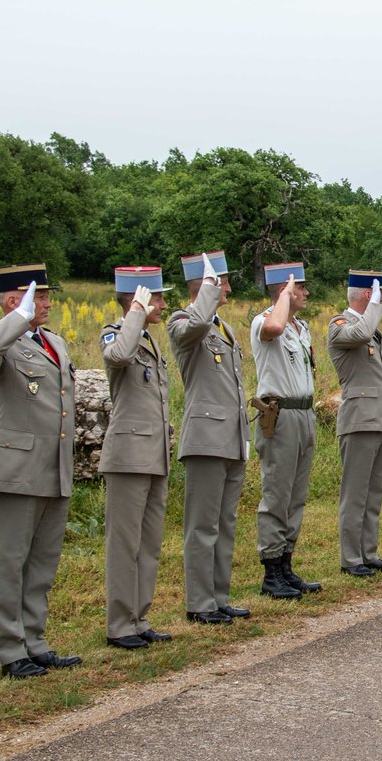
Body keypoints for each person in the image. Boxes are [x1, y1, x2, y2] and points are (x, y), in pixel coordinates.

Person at [0, 264, 81, 678]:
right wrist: (15, 319)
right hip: (13, 470)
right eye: (40, 296)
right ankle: (11, 651)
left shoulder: (53, 342)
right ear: (15, 299)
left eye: (47, 296)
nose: (48, 303)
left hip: (53, 468)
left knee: (41, 566)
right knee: (8, 564)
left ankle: (35, 641)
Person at [167, 251, 252, 625]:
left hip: (232, 437)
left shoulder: (224, 328)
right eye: (222, 282)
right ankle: (199, 602)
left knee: (225, 522)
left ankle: (219, 596)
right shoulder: (183, 322)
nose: (229, 288)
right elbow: (193, 327)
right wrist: (205, 292)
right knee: (202, 526)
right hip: (205, 438)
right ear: (205, 287)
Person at [100, 267, 174, 649]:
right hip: (128, 455)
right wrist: (134, 314)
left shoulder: (149, 338)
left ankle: (139, 616)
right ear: (136, 301)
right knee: (124, 543)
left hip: (154, 453)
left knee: (148, 543)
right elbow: (118, 356)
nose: (162, 304)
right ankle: (118, 623)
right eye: (156, 298)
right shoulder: (118, 333)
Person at [250, 262, 322, 600]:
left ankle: (287, 564)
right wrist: (283, 292)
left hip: (304, 413)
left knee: (296, 496)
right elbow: (275, 325)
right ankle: (271, 569)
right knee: (276, 494)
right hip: (280, 415)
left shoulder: (302, 327)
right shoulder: (265, 322)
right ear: (285, 290)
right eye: (300, 286)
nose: (306, 292)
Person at [329, 271, 382, 578]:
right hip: (359, 420)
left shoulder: (373, 331)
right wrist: (372, 307)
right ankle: (350, 557)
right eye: (377, 294)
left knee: (373, 492)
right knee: (355, 493)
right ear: (364, 295)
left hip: (378, 419)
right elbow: (358, 336)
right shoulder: (340, 326)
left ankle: (368, 552)